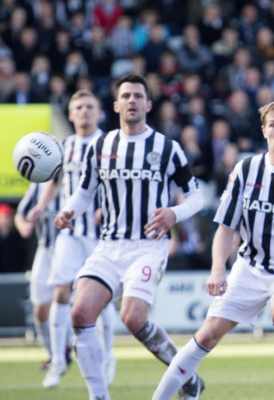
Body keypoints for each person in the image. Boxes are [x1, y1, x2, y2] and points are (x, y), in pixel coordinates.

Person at [152, 100, 274, 400]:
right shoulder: (245, 170)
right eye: (273, 125)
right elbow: (225, 228)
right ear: (263, 130)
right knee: (206, 335)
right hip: (249, 266)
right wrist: (218, 269)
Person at [52, 74, 205, 400]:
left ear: (148, 105)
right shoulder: (101, 146)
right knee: (79, 313)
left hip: (148, 246)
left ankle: (186, 377)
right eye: (127, 96)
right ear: (116, 105)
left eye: (138, 95)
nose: (132, 101)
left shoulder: (167, 147)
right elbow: (84, 193)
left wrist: (173, 214)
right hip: (109, 245)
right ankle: (99, 395)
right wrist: (68, 212)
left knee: (132, 318)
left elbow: (197, 197)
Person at [28, 90, 118, 389]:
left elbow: (119, 186)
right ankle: (58, 359)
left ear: (99, 112)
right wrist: (42, 204)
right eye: (78, 107)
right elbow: (55, 183)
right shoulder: (64, 147)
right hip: (69, 232)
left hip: (102, 235)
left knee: (100, 298)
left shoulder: (109, 144)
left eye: (89, 106)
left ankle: (107, 357)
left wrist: (106, 209)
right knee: (60, 292)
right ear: (70, 114)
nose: (84, 111)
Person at [14, 182, 60, 370]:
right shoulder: (37, 184)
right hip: (45, 249)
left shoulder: (78, 179)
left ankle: (71, 352)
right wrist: (24, 226)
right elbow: (20, 213)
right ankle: (53, 354)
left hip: (75, 250)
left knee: (71, 305)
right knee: (40, 310)